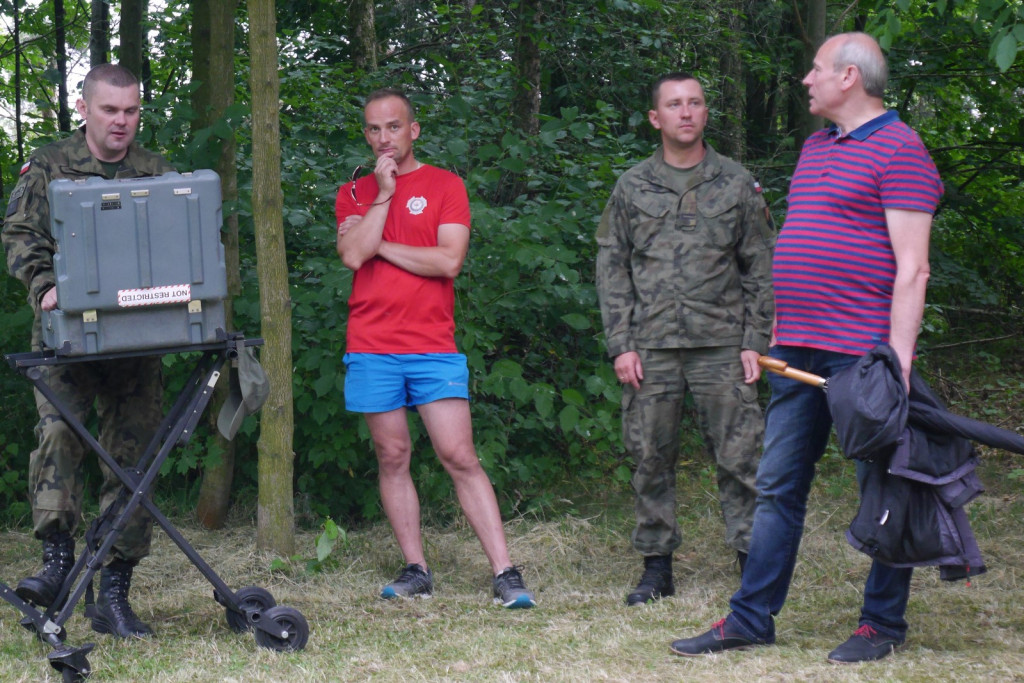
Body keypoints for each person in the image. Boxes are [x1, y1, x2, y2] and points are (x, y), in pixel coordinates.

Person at [668, 32, 943, 663]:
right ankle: (750, 618)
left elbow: (913, 268)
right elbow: (802, 245)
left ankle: (882, 624)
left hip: (863, 357)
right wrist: (771, 327)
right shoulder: (816, 146)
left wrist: (897, 360)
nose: (805, 79)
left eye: (815, 69)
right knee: (779, 485)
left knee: (886, 487)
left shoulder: (901, 150)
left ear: (850, 76)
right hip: (796, 349)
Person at [335, 88, 535, 609]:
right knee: (392, 454)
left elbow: (448, 262)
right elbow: (353, 257)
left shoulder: (446, 185)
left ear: (413, 130)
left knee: (459, 455)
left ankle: (506, 572)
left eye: (394, 127)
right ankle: (416, 568)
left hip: (431, 345)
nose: (384, 138)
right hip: (371, 345)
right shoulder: (354, 193)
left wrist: (376, 242)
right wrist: (382, 197)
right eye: (374, 129)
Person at [2, 63, 175, 638]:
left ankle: (114, 593)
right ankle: (56, 562)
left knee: (132, 463)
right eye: (110, 110)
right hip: (66, 336)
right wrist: (44, 285)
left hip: (137, 343)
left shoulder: (157, 172)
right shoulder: (49, 164)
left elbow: (179, 243)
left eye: (130, 111)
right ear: (84, 108)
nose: (121, 121)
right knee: (57, 436)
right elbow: (20, 235)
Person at [596, 73, 775, 606]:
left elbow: (761, 267)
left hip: (724, 344)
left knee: (741, 457)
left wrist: (756, 338)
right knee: (650, 455)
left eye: (695, 102)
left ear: (704, 112)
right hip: (650, 346)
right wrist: (621, 342)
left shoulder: (737, 182)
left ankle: (752, 560)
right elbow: (612, 268)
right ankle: (657, 567)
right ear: (656, 118)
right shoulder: (631, 187)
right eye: (674, 105)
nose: (686, 112)